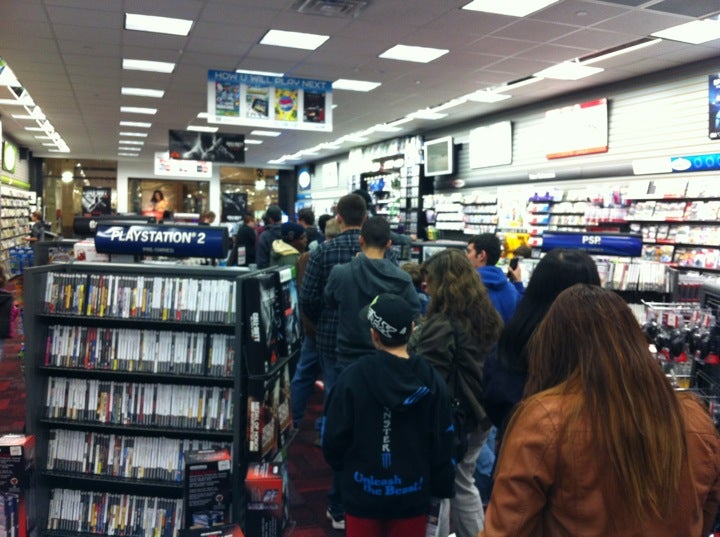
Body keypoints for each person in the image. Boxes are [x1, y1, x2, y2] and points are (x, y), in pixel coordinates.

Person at [481, 284, 720, 537]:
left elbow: (507, 528)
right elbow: (703, 517)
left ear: (552, 348)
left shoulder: (544, 421)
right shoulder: (696, 420)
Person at [322, 293, 456, 537]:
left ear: (374, 334)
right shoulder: (432, 380)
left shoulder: (351, 378)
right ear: (412, 329)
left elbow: (332, 440)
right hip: (412, 495)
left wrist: (346, 473)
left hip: (362, 494)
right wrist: (439, 485)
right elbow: (443, 442)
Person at [408, 248, 503, 537]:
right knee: (463, 481)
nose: (426, 286)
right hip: (480, 413)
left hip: (455, 418)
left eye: (430, 280)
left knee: (446, 485)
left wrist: (413, 342)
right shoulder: (485, 316)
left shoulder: (443, 324)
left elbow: (428, 375)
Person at [300, 193, 370, 529]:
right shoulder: (378, 251)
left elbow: (309, 297)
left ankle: (334, 463)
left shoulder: (323, 252)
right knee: (366, 409)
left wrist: (321, 323)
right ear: (365, 217)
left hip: (330, 340)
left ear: (338, 217)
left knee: (334, 403)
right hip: (370, 341)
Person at [482, 249, 601, 444]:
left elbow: (495, 398)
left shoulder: (516, 336)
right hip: (588, 449)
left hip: (519, 444)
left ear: (536, 286)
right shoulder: (603, 346)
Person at [325, 216, 421, 371]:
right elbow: (414, 315)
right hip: (389, 357)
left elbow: (329, 302)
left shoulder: (340, 273)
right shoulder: (402, 278)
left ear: (361, 240)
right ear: (389, 244)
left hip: (349, 356)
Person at [465, 234, 521, 324]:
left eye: (469, 252)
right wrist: (518, 283)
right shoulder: (512, 291)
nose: (466, 256)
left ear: (481, 255)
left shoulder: (465, 289)